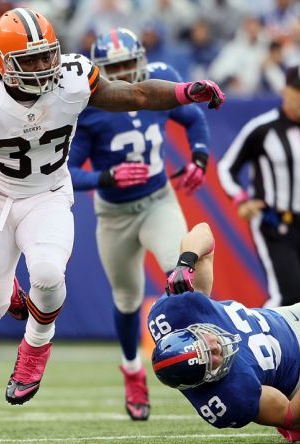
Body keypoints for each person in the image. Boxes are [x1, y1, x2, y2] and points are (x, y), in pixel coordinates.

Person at [0, 7, 226, 406]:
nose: (43, 66)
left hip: (48, 193)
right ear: (3, 64)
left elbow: (137, 93)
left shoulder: (73, 78)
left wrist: (184, 91)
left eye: (47, 55)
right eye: (30, 59)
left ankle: (35, 349)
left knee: (46, 271)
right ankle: (14, 297)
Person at [66, 27, 212, 421]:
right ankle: (132, 370)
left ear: (143, 60)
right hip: (113, 215)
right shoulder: (90, 104)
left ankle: (206, 355)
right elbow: (66, 170)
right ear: (100, 71)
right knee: (127, 299)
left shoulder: (159, 78)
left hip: (157, 201)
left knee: (183, 276)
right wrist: (104, 178)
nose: (127, 73)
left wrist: (199, 155)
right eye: (116, 68)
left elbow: (193, 117)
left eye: (131, 64)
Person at [150, 221, 300, 442]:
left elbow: (203, 232)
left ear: (193, 329)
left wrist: (185, 262)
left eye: (204, 342)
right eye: (211, 358)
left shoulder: (174, 313)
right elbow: (292, 416)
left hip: (297, 318)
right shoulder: (226, 398)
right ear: (204, 380)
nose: (216, 346)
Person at [217, 64, 300, 308]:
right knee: (290, 295)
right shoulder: (263, 128)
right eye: (297, 89)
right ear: (285, 91)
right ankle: (262, 341)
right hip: (273, 222)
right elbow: (226, 167)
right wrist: (242, 199)